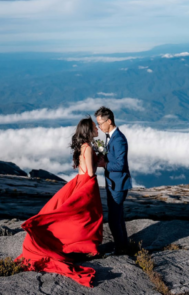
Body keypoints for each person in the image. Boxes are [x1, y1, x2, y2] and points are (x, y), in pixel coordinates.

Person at [15, 116, 104, 287]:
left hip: (80, 182)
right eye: (94, 127)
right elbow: (91, 173)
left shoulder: (83, 146)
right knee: (88, 217)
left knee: (80, 217)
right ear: (88, 130)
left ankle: (82, 247)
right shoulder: (87, 148)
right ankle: (85, 247)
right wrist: (101, 160)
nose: (97, 129)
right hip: (87, 185)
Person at [95, 106, 133, 255]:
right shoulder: (111, 137)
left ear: (109, 121)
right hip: (113, 184)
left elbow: (121, 165)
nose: (99, 126)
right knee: (118, 217)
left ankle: (120, 249)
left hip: (118, 185)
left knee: (113, 219)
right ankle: (123, 245)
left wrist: (105, 164)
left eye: (100, 123)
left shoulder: (119, 140)